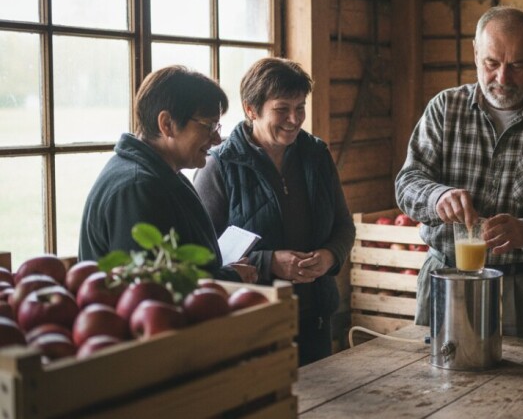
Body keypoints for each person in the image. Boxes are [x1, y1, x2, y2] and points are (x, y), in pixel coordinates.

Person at [395, 6, 523, 341]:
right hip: (446, 274)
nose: (503, 78)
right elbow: (407, 183)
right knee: (434, 372)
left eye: (516, 65)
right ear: (476, 53)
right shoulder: (444, 109)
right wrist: (436, 196)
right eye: (491, 63)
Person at [194, 57, 354, 365]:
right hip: (253, 324)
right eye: (282, 109)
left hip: (316, 319)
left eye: (300, 107)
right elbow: (204, 256)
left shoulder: (316, 155)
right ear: (251, 109)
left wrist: (330, 256)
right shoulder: (219, 165)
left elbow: (344, 226)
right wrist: (269, 263)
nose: (294, 119)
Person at [79, 65, 257, 283]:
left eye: (217, 127)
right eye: (208, 126)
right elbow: (148, 287)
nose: (217, 139)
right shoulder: (137, 187)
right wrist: (230, 277)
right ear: (167, 124)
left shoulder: (163, 174)